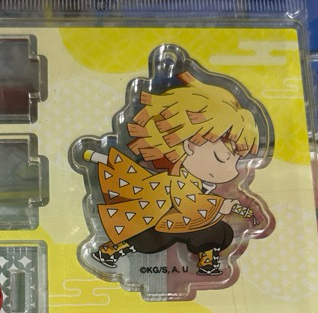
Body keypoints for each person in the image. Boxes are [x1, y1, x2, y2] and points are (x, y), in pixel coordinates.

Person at [86, 72, 264, 276]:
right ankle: (111, 250)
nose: (231, 171)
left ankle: (207, 262)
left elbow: (195, 203)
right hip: (163, 220)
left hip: (184, 220)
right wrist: (219, 205)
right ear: (190, 146)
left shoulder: (197, 181)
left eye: (236, 160)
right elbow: (187, 200)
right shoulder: (175, 180)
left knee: (219, 231)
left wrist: (238, 210)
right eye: (221, 157)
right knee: (153, 236)